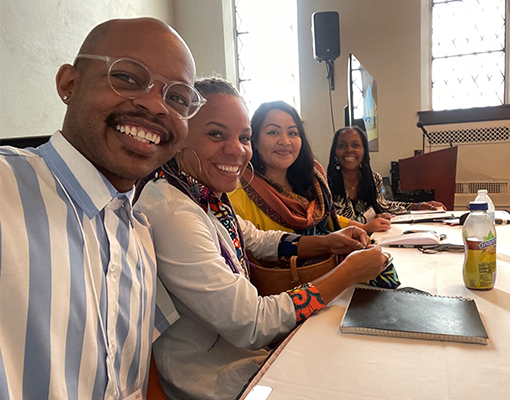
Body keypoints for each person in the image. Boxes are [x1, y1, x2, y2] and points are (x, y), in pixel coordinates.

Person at [133, 78, 389, 400]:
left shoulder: (201, 193)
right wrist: (347, 272)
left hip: (244, 358)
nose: (237, 150)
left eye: (243, 137)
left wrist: (328, 241)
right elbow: (251, 322)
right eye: (216, 134)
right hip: (216, 380)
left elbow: (257, 238)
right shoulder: (173, 212)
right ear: (179, 135)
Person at [0, 18, 201, 399]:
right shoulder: (8, 187)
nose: (155, 105)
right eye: (127, 77)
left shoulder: (139, 236)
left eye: (177, 98)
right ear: (69, 84)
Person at [229, 101, 390, 235]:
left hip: (333, 263)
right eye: (273, 132)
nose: (285, 141)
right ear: (254, 141)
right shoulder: (238, 197)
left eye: (292, 133)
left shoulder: (311, 180)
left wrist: (362, 228)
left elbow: (328, 217)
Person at [327, 126, 446, 223]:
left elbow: (383, 205)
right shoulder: (326, 184)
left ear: (364, 151)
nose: (349, 150)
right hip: (341, 247)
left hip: (372, 240)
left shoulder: (373, 179)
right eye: (342, 146)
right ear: (335, 152)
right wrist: (369, 221)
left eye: (355, 145)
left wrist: (419, 206)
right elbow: (332, 223)